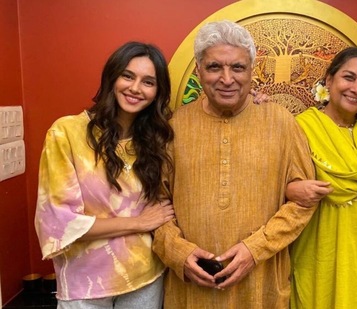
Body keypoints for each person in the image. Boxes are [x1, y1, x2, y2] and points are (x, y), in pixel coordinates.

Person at [151, 20, 317, 308]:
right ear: (199, 70)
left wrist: (254, 250)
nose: (227, 79)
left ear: (252, 71)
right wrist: (179, 253)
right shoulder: (173, 128)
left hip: (261, 289)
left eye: (238, 68)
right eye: (215, 67)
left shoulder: (281, 123)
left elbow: (303, 202)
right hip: (191, 293)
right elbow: (154, 204)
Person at [35, 41, 175, 308]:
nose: (135, 88)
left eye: (148, 82)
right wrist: (138, 222)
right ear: (112, 77)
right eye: (128, 76)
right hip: (85, 282)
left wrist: (254, 99)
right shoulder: (66, 132)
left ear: (157, 92)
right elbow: (61, 222)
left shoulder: (156, 139)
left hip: (146, 276)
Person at [286, 47, 357, 308]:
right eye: (349, 77)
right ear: (329, 79)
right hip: (321, 257)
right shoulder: (300, 128)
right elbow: (270, 185)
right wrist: (289, 190)